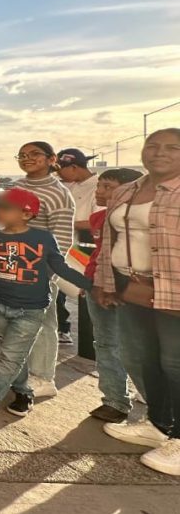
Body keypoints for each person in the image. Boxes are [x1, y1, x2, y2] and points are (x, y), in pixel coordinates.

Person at [0, 189, 91, 416]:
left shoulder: (44, 239)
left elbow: (60, 267)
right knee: (12, 353)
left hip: (32, 309)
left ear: (27, 214)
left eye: (6, 208)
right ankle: (23, 392)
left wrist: (88, 285)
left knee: (11, 355)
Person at [94, 129, 180, 476]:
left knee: (175, 364)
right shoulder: (127, 191)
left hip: (174, 291)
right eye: (152, 146)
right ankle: (158, 426)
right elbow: (107, 238)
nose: (159, 153)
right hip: (133, 288)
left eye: (172, 148)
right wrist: (106, 283)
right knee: (142, 359)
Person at [83, 168, 144, 424]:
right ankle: (114, 401)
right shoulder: (97, 218)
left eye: (108, 186)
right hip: (97, 287)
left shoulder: (143, 221)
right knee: (105, 343)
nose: (99, 191)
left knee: (140, 348)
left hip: (132, 291)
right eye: (99, 185)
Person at [14, 141, 76, 398]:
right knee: (13, 321)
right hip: (11, 262)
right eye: (23, 155)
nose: (27, 158)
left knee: (42, 322)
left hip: (38, 268)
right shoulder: (18, 186)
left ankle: (43, 377)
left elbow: (62, 239)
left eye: (35, 154)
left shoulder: (59, 193)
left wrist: (43, 270)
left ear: (52, 159)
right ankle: (14, 368)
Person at [55, 148, 100, 345]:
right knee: (57, 289)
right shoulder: (68, 184)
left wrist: (65, 221)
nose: (57, 173)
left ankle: (88, 341)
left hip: (84, 248)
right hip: (62, 244)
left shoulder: (98, 186)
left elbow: (97, 221)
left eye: (60, 169)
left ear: (74, 167)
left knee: (83, 292)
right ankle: (60, 327)